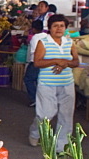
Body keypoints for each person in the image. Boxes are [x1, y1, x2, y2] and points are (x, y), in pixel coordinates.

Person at [28, 14, 79, 150]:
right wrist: (56, 60)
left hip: (67, 83)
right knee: (45, 114)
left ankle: (60, 145)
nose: (59, 29)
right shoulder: (43, 42)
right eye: (55, 26)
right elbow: (37, 62)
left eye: (62, 26)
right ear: (49, 28)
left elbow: (75, 62)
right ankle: (35, 132)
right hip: (47, 83)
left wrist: (65, 63)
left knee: (66, 115)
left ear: (65, 28)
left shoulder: (70, 42)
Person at [24, 20, 45, 108]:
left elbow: (33, 52)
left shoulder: (35, 38)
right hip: (46, 62)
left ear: (33, 29)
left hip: (35, 62)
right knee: (39, 81)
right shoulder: (47, 36)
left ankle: (34, 99)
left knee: (28, 79)